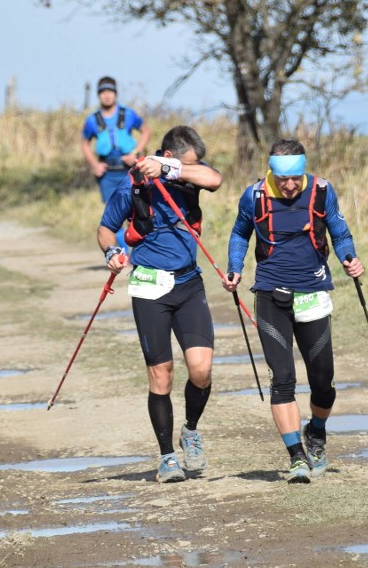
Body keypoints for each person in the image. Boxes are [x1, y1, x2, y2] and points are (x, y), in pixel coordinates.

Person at [222, 139, 364, 484]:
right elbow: (240, 233)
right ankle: (296, 457)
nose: (290, 186)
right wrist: (235, 266)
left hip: (313, 293)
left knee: (323, 384)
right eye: (284, 179)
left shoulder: (321, 191)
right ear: (272, 172)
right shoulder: (253, 196)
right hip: (271, 294)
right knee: (282, 379)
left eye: (296, 179)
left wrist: (350, 259)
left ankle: (315, 431)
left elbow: (340, 233)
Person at [98, 126, 222, 483]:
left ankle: (191, 430)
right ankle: (167, 457)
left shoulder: (187, 176)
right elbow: (106, 228)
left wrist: (173, 170)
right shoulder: (133, 184)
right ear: (169, 155)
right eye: (186, 163)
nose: (193, 168)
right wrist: (111, 251)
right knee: (161, 374)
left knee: (201, 369)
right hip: (149, 288)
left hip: (188, 283)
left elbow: (214, 179)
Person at [83, 76, 151, 250]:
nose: (107, 96)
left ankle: (137, 251)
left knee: (136, 212)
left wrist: (135, 152)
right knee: (114, 215)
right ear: (99, 95)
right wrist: (94, 165)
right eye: (103, 92)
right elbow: (84, 143)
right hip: (107, 173)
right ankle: (123, 254)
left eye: (110, 92)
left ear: (115, 93)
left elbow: (145, 131)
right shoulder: (92, 120)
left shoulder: (127, 114)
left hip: (128, 169)